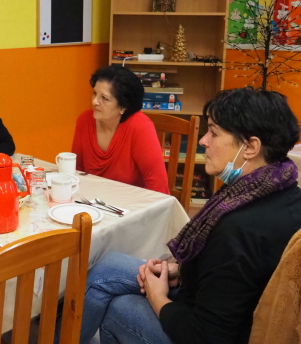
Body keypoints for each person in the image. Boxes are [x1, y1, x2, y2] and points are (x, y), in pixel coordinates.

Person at [79, 87, 301, 344]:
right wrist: (181, 271)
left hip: (216, 332)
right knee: (110, 266)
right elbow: (237, 279)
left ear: (250, 147)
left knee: (121, 307)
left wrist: (157, 297)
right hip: (214, 300)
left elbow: (206, 335)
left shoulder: (236, 229)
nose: (203, 140)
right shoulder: (283, 191)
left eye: (213, 133)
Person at [72, 65, 168, 194]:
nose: (95, 101)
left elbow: (158, 187)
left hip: (133, 205)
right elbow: (77, 172)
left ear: (123, 106)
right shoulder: (85, 120)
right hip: (92, 203)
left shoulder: (140, 127)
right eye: (95, 93)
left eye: (104, 98)